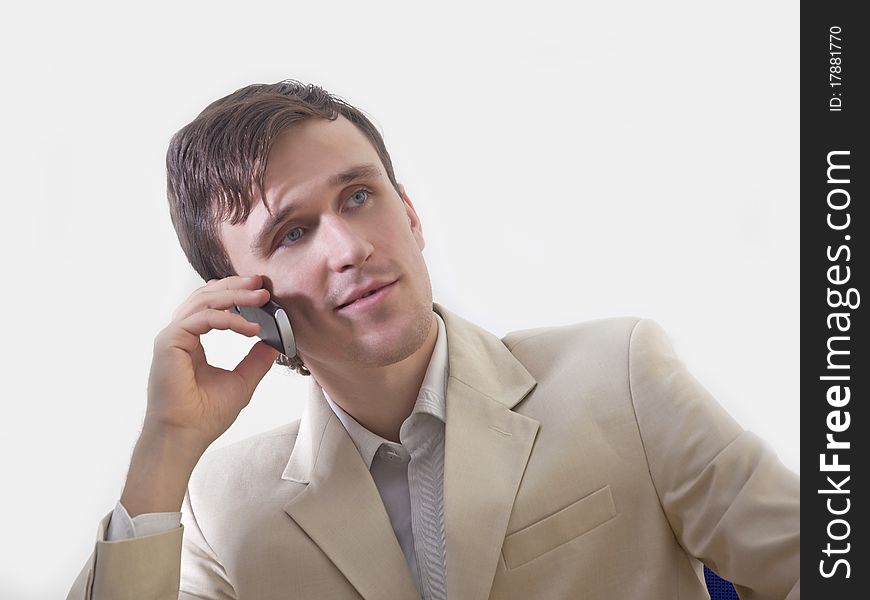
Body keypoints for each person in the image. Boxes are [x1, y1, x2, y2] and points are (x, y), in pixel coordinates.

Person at [67, 80, 799, 600]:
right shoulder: (222, 509)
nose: (349, 246)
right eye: (293, 232)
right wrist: (164, 449)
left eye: (359, 196)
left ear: (410, 215)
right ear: (245, 304)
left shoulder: (619, 375)